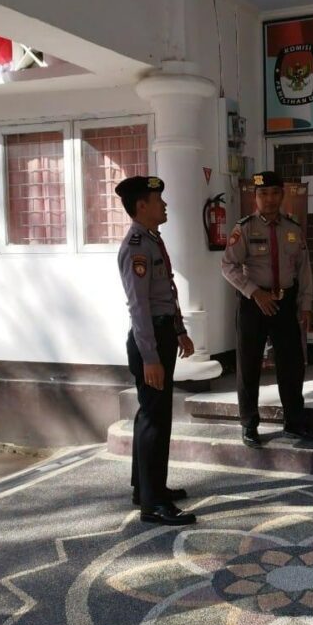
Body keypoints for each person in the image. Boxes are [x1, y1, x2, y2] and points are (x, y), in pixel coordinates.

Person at [116, 175, 196, 526]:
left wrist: (179, 331)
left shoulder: (151, 239)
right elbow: (139, 307)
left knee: (151, 414)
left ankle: (147, 488)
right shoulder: (136, 246)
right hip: (149, 340)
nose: (164, 205)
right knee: (155, 419)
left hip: (162, 334)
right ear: (141, 206)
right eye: (157, 200)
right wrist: (150, 357)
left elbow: (166, 293)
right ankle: (153, 504)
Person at [221, 170, 313, 448]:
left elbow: (304, 270)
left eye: (274, 193)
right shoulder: (245, 228)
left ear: (282, 195)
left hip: (285, 303)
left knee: (291, 365)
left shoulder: (293, 228)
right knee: (249, 364)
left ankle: (294, 422)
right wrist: (255, 292)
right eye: (263, 194)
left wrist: (305, 304)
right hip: (253, 304)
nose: (269, 199)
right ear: (255, 197)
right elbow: (228, 266)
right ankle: (249, 425)